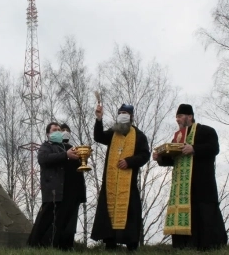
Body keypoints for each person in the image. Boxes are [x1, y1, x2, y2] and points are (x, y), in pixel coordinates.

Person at [153, 104, 227, 251]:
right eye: (176, 117)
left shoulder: (206, 131)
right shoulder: (178, 136)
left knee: (204, 211)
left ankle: (209, 244)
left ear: (190, 116)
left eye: (180, 116)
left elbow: (214, 148)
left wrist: (194, 148)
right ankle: (184, 244)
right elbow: (174, 159)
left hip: (202, 181)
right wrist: (160, 158)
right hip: (182, 185)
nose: (177, 120)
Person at [90, 104, 150, 251]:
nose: (122, 115)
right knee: (109, 212)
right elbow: (98, 137)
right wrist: (99, 118)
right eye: (120, 112)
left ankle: (131, 244)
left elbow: (144, 155)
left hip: (128, 183)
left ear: (131, 116)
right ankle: (110, 243)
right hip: (111, 182)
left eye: (125, 113)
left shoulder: (139, 135)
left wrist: (129, 161)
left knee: (131, 212)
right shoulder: (113, 133)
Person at [27, 122, 86, 251]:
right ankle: (34, 243)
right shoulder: (46, 146)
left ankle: (49, 244)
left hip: (62, 190)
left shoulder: (65, 148)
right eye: (55, 130)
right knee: (45, 217)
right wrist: (66, 155)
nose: (59, 132)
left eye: (59, 129)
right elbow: (43, 159)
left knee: (56, 220)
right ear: (48, 133)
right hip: (51, 188)